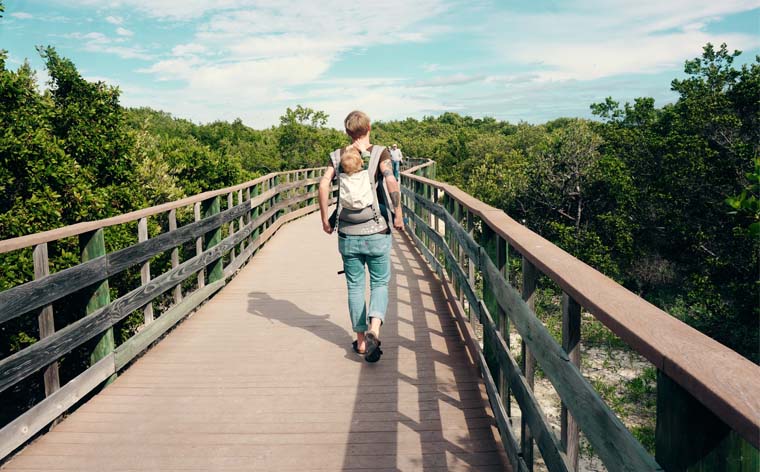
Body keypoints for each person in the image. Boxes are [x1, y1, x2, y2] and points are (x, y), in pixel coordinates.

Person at [318, 111, 404, 363]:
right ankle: (374, 328)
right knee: (379, 283)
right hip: (377, 230)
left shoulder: (337, 156)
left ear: (347, 132)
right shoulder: (380, 153)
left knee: (355, 286)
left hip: (347, 233)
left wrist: (325, 219)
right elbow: (391, 181)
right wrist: (398, 214)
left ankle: (361, 342)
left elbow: (323, 185)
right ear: (369, 127)